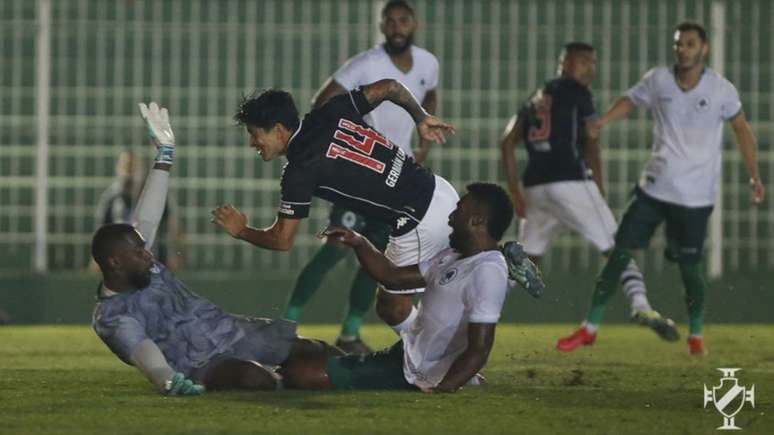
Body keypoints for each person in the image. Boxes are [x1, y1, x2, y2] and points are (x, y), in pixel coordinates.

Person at [92, 102, 337, 396]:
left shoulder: (139, 264)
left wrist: (165, 153)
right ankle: (289, 379)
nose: (148, 253)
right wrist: (166, 378)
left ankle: (375, 367)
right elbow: (140, 349)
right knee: (254, 378)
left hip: (232, 331)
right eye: (138, 251)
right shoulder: (112, 315)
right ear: (115, 263)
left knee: (313, 348)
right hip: (200, 363)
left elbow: (147, 217)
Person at [556, 22, 765, 355]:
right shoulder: (659, 80)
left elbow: (741, 129)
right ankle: (589, 327)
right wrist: (603, 121)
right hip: (653, 189)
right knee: (619, 252)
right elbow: (630, 100)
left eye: (690, 44)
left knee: (689, 268)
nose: (683, 49)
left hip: (695, 198)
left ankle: (696, 334)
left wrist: (754, 175)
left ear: (704, 49)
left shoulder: (721, 90)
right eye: (679, 44)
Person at [211, 79, 460, 340]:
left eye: (254, 133)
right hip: (440, 189)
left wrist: (242, 231)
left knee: (393, 306)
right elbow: (391, 87)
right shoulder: (333, 110)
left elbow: (282, 240)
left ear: (277, 130)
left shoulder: (298, 170)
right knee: (434, 290)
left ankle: (439, 364)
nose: (252, 142)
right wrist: (420, 117)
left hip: (417, 218)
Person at [500, 42, 678, 348]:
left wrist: (514, 189)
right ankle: (641, 305)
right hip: (569, 181)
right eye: (584, 62)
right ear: (565, 62)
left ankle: (468, 309)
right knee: (617, 245)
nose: (591, 69)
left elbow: (507, 141)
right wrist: (599, 185)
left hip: (535, 189)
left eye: (593, 63)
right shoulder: (578, 94)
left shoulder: (536, 98)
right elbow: (590, 139)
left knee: (524, 263)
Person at [286, 0, 440, 353]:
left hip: (394, 180)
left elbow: (430, 92)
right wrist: (351, 141)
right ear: (382, 27)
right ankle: (287, 324)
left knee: (375, 261)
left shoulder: (429, 63)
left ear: (413, 24)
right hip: (358, 177)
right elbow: (321, 101)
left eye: (403, 20)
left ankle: (350, 333)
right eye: (390, 22)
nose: (397, 27)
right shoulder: (368, 64)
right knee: (334, 250)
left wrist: (423, 138)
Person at [317, 183, 518, 392]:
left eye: (459, 210)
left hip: (415, 374)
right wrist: (358, 241)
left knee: (303, 373)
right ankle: (287, 348)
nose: (450, 218)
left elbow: (480, 348)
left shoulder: (488, 271)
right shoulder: (454, 255)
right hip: (404, 354)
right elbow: (392, 277)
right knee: (306, 353)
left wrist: (443, 388)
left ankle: (282, 370)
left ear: (478, 220)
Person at [93, 149, 183, 270]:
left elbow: (173, 227)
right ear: (118, 169)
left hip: (153, 259)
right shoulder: (111, 197)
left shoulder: (157, 195)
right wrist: (96, 260)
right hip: (120, 264)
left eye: (133, 167)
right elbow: (100, 231)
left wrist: (176, 254)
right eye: (125, 167)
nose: (129, 172)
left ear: (142, 169)